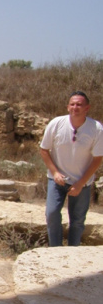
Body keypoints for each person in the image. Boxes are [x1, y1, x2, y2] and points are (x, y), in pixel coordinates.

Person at [40, 91, 103, 246]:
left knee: (77, 220)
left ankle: (73, 250)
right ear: (68, 107)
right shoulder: (56, 124)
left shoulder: (96, 128)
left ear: (87, 108)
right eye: (73, 104)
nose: (76, 107)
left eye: (79, 104)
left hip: (82, 182)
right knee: (52, 213)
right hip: (57, 179)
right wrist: (55, 172)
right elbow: (44, 149)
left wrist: (81, 183)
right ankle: (56, 249)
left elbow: (97, 158)